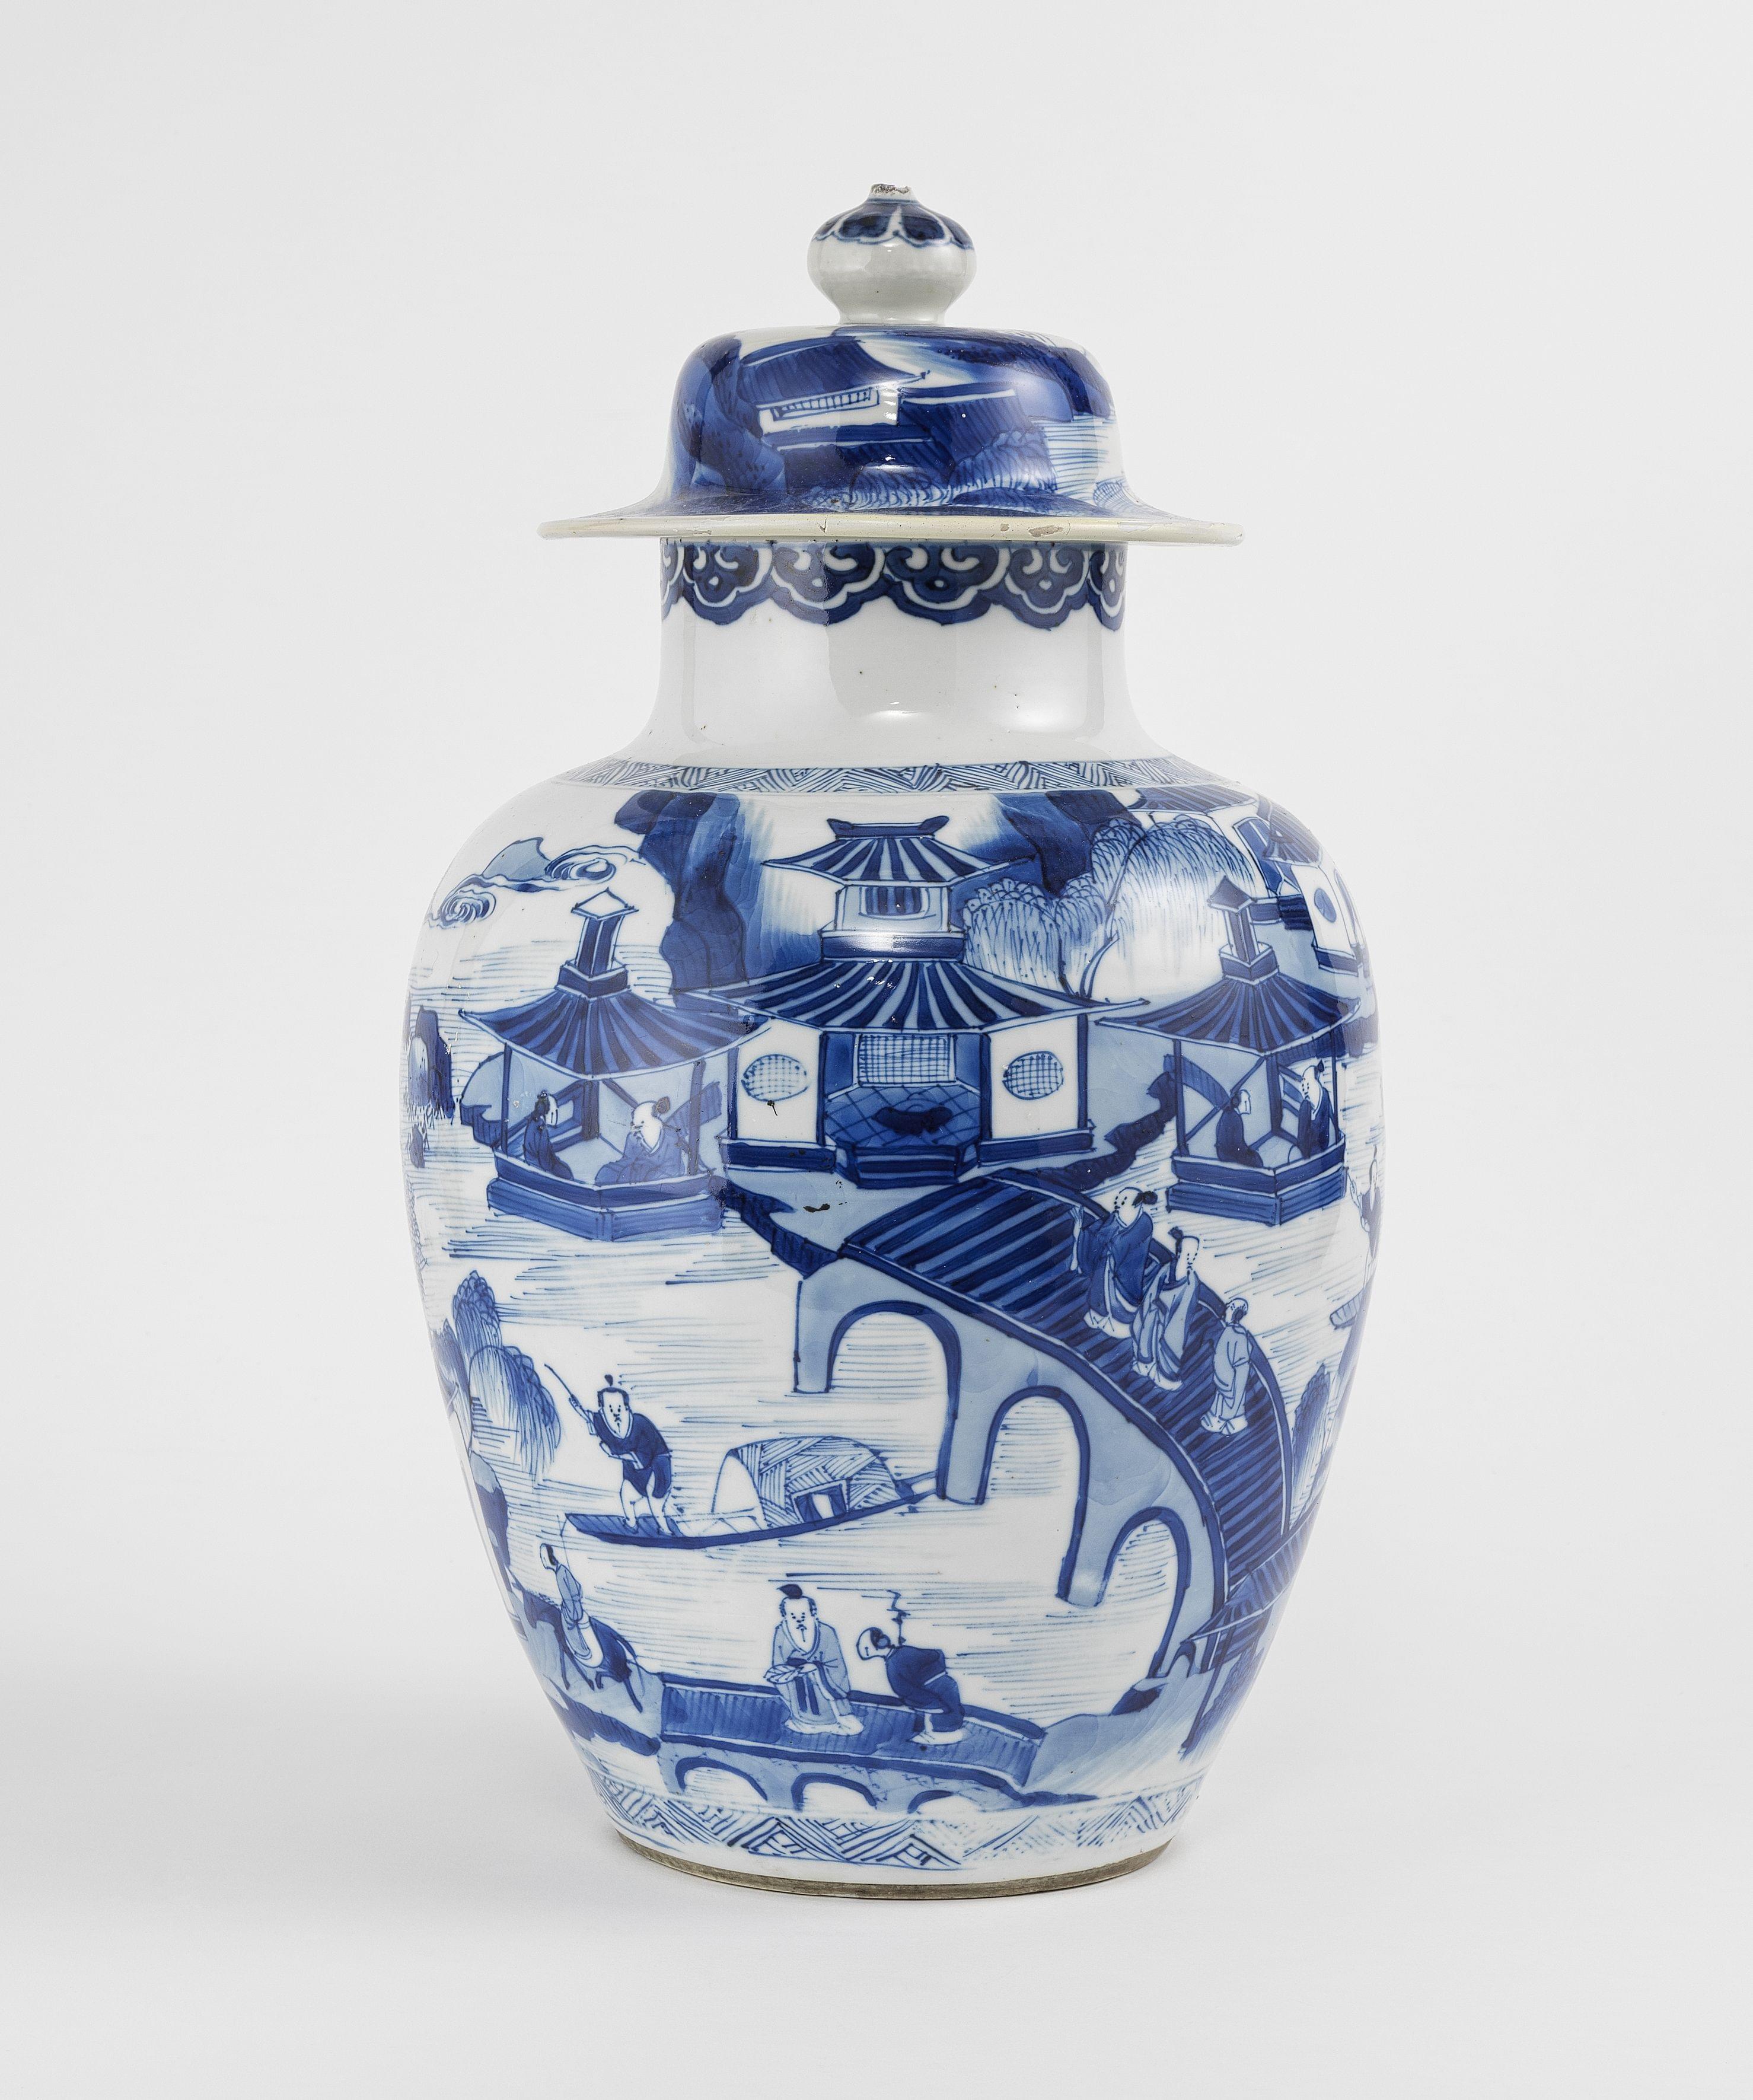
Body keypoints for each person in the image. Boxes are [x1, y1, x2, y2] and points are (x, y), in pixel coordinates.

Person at [571, 1377, 676, 1532]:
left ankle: (667, 1532)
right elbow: (589, 1416)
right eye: (610, 1409)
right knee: (626, 1495)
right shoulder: (603, 1422)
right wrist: (577, 1407)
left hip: (657, 1465)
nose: (616, 1413)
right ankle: (631, 1525)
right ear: (602, 1411)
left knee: (655, 1503)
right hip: (634, 1470)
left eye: (620, 1408)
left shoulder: (640, 1423)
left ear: (627, 1409)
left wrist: (614, 1454)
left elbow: (644, 1457)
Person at [766, 1584, 859, 1735]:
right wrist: (790, 1675)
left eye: (803, 1615)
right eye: (793, 1616)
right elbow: (778, 1663)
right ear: (785, 1616)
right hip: (796, 1685)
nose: (799, 1620)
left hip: (822, 1686)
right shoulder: (781, 1632)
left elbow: (836, 1663)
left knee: (836, 1718)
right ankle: (802, 1721)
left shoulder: (826, 1632)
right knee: (802, 1715)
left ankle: (831, 1722)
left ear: (813, 1613)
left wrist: (817, 1668)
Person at [857, 1626, 965, 1745]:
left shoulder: (893, 1664)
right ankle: (943, 1731)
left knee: (944, 1714)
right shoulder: (903, 1652)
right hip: (945, 1683)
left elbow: (904, 1691)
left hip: (934, 1689)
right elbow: (937, 1654)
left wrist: (929, 1696)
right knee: (953, 1712)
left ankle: (936, 1734)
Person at [1072, 1186, 1157, 1337]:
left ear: (1137, 1204)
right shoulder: (1116, 1218)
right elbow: (1100, 1234)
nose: (1117, 1203)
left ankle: (1117, 1323)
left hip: (1126, 1278)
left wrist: (1109, 1245)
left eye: (1123, 1201)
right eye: (1118, 1200)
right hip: (1107, 1267)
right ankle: (1099, 1316)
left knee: (1120, 1305)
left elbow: (1124, 1245)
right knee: (1099, 1287)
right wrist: (1081, 1234)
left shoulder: (1145, 1224)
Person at [1132, 1231, 1201, 1390]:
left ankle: (1160, 1373)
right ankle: (1145, 1364)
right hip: (1154, 1312)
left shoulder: (1192, 1282)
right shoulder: (1167, 1269)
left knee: (1166, 1345)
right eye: (1188, 1254)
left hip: (1171, 1319)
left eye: (1194, 1255)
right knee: (1147, 1339)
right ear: (1179, 1253)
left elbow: (1184, 1312)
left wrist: (1170, 1322)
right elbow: (1152, 1291)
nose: (1191, 1259)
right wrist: (1149, 1307)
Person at [594, 1096, 689, 1186]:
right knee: (608, 1174)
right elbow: (627, 1161)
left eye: (642, 1124)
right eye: (635, 1125)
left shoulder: (671, 1137)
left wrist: (648, 1180)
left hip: (663, 1179)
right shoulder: (634, 1138)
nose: (637, 1130)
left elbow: (673, 1169)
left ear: (656, 1119)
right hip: (639, 1174)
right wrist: (608, 1172)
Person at [1201, 1297, 1254, 1435]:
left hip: (1230, 1383)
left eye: (1230, 1308)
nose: (1226, 1309)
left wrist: (1234, 1386)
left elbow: (1242, 1366)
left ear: (1235, 1314)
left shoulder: (1238, 1336)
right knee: (1221, 1405)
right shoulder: (1230, 1331)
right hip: (1224, 1381)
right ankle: (1221, 1420)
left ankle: (1232, 1422)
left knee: (1230, 1407)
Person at [520, 1091, 573, 1180]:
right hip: (538, 1163)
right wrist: (552, 1167)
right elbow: (544, 1157)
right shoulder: (541, 1128)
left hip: (531, 1158)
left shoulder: (534, 1121)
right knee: (567, 1174)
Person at [1295, 1063, 1337, 1158]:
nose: (1304, 1086)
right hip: (1324, 1143)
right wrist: (1337, 1130)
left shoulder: (1306, 1105)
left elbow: (1301, 1137)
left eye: (1306, 1082)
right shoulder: (1324, 1093)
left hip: (1311, 1150)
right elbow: (1332, 1115)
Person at [1214, 1089, 1263, 1169]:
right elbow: (1237, 1145)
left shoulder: (1230, 1114)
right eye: (1246, 1102)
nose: (1249, 1104)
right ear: (1236, 1102)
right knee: (1257, 1161)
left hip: (1226, 1154)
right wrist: (1249, 1152)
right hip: (1230, 1156)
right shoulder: (1234, 1118)